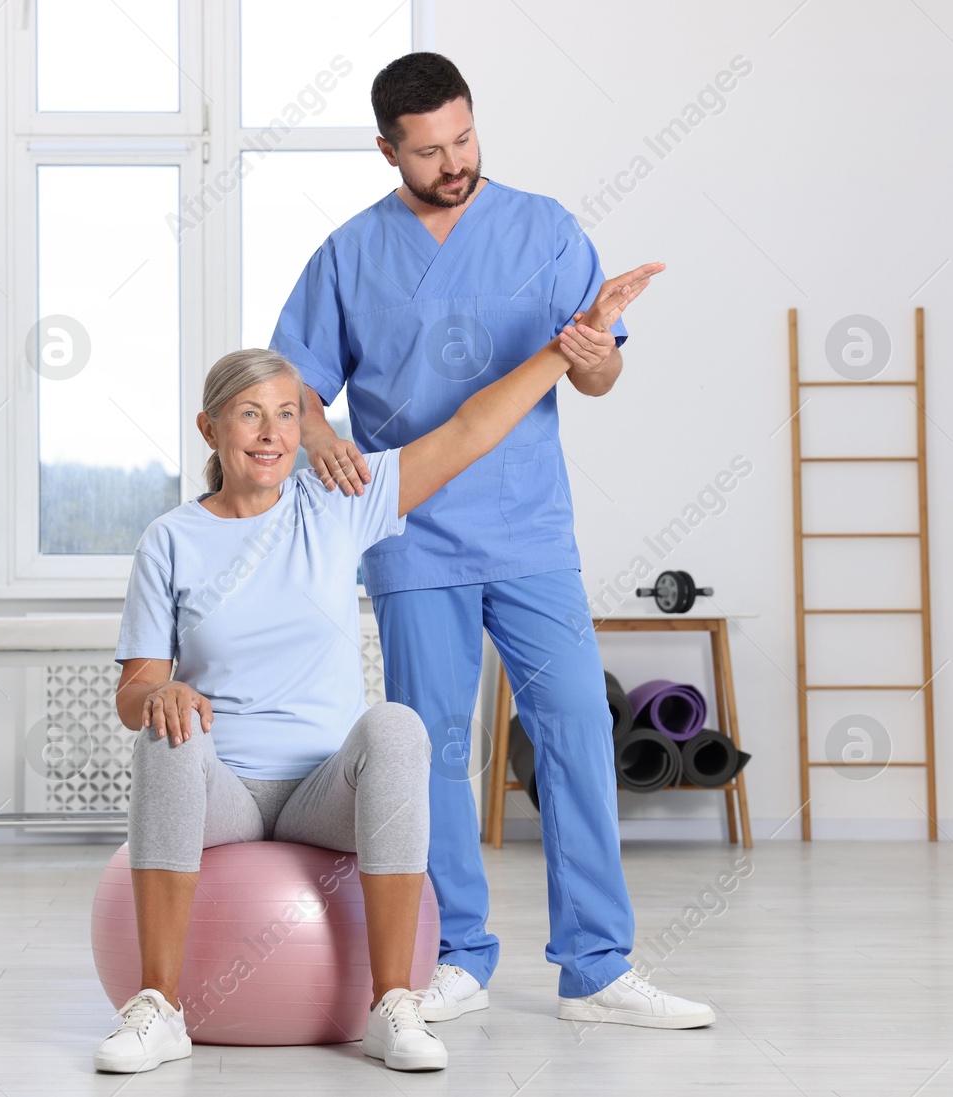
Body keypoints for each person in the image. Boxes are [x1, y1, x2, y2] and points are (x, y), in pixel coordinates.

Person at [94, 263, 658, 1075]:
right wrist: (162, 692)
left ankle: (393, 1003)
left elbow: (467, 431)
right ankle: (158, 1007)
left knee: (397, 725)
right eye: (250, 414)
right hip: (225, 791)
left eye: (288, 414)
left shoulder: (338, 501)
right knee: (165, 742)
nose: (271, 432)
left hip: (326, 788)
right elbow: (133, 689)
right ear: (209, 427)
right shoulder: (172, 539)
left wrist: (564, 350)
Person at [269, 51, 714, 1029]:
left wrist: (593, 358)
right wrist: (326, 434)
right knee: (425, 748)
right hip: (412, 531)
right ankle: (453, 951)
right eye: (428, 151)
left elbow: (595, 377)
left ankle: (596, 965)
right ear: (386, 149)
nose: (453, 161)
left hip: (528, 528)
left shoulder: (545, 230)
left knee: (577, 731)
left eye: (463, 138)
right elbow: (293, 382)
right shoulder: (348, 254)